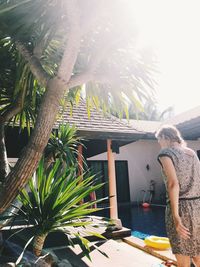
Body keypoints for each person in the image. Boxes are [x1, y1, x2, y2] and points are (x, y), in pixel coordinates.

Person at [155, 124, 200, 267]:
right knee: (198, 255)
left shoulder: (165, 154)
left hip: (181, 207)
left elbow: (173, 184)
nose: (159, 143)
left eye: (159, 140)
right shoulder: (191, 153)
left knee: (183, 259)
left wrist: (175, 216)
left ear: (164, 137)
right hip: (198, 207)